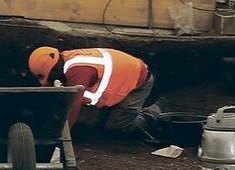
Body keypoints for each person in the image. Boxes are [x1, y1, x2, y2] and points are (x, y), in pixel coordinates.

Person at [28, 46, 158, 138]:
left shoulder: (79, 71)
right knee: (100, 125)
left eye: (49, 77)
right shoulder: (68, 59)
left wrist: (60, 135)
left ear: (54, 69)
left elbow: (72, 105)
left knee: (117, 126)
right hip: (124, 80)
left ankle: (154, 111)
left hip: (139, 83)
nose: (50, 81)